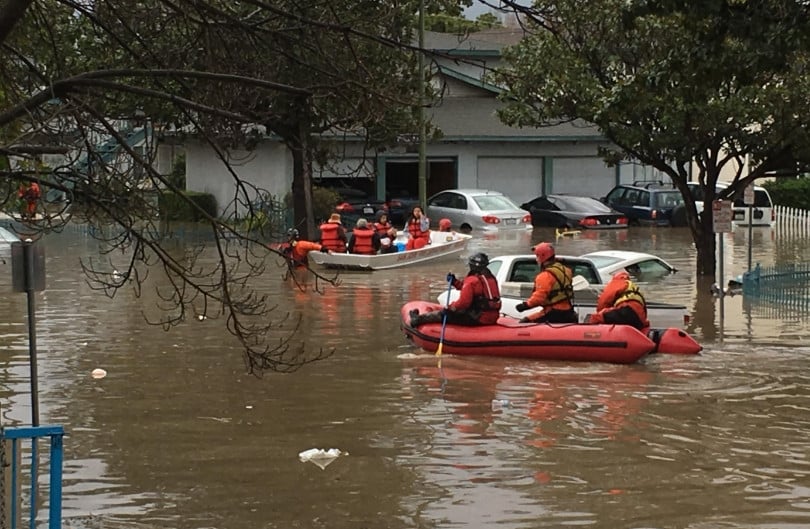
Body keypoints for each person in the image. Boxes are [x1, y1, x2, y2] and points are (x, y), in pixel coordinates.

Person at [410, 253, 501, 327]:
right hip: (493, 316)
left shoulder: (472, 280)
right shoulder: (490, 278)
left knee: (444, 314)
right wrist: (455, 282)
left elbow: (463, 303)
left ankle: (417, 320)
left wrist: (449, 308)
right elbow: (475, 292)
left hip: (478, 317)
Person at [514, 242, 578, 324]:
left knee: (525, 322)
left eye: (537, 256)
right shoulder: (566, 270)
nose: (536, 259)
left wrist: (524, 306)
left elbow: (539, 298)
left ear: (542, 256)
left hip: (553, 313)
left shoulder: (545, 276)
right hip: (569, 311)